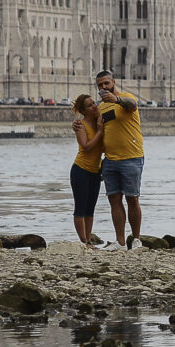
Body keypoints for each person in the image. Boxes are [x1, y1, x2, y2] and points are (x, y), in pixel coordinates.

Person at [95, 71, 144, 248]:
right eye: (100, 85)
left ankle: (136, 239)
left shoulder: (126, 98)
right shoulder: (101, 108)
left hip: (131, 158)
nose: (103, 88)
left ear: (113, 82)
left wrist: (116, 100)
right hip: (110, 160)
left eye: (106, 83)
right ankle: (120, 242)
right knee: (114, 200)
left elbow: (132, 105)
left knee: (132, 199)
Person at [70, 93, 105, 246]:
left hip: (95, 172)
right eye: (90, 105)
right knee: (80, 208)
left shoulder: (101, 120)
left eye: (94, 103)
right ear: (84, 110)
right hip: (81, 170)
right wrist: (100, 131)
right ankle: (83, 241)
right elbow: (87, 146)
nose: (94, 106)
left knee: (90, 209)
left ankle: (88, 240)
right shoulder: (80, 125)